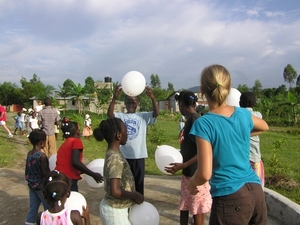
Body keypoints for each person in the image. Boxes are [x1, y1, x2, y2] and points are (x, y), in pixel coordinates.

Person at [187, 64, 269, 225]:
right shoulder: (243, 114)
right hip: (256, 193)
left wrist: (192, 184)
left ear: (202, 89)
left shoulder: (204, 124)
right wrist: (238, 133)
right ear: (229, 87)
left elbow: (204, 173)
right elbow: (264, 126)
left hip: (230, 198)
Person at [165, 91, 212, 225]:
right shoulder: (189, 120)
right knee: (185, 206)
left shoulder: (196, 120)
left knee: (198, 210)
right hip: (188, 174)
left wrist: (184, 165)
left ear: (181, 104)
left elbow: (204, 152)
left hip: (197, 174)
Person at [107, 84, 159, 195]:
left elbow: (156, 113)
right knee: (125, 183)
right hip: (124, 156)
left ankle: (139, 204)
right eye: (129, 102)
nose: (131, 105)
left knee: (139, 184)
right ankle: (127, 204)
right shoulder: (121, 116)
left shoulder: (143, 116)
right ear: (125, 103)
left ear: (137, 104)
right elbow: (110, 114)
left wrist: (152, 98)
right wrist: (115, 97)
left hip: (138, 156)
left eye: (133, 102)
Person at [93, 118, 144, 224]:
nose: (128, 135)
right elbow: (115, 190)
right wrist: (135, 195)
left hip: (117, 208)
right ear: (118, 135)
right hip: (115, 211)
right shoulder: (115, 158)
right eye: (126, 131)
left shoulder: (113, 153)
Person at [55, 117, 103, 192]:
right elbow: (75, 162)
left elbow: (66, 164)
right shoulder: (76, 142)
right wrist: (93, 175)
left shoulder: (64, 144)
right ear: (77, 132)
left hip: (59, 177)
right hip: (69, 180)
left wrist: (84, 169)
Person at [25, 129, 50, 225]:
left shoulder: (29, 153)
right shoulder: (41, 156)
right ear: (42, 142)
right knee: (48, 208)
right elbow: (45, 173)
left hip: (32, 186)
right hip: (42, 188)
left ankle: (29, 222)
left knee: (33, 208)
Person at [240, 91, 265, 187]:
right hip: (254, 157)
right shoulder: (258, 115)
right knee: (257, 183)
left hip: (242, 157)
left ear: (240, 103)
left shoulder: (238, 115)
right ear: (255, 103)